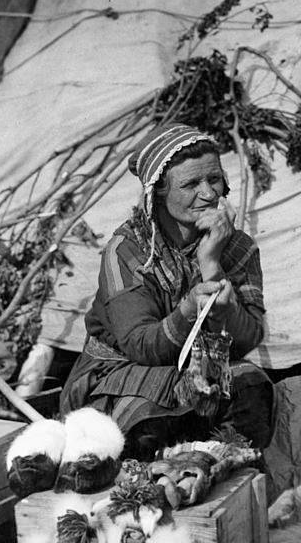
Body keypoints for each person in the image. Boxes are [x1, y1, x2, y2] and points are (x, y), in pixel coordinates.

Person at [60, 123, 273, 459]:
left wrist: (211, 264)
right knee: (144, 425)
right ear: (157, 192)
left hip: (201, 368)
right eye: (190, 184)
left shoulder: (238, 248)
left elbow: (250, 337)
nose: (208, 194)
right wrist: (189, 309)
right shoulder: (128, 251)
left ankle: (223, 468)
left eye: (214, 179)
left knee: (253, 390)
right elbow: (140, 345)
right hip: (122, 372)